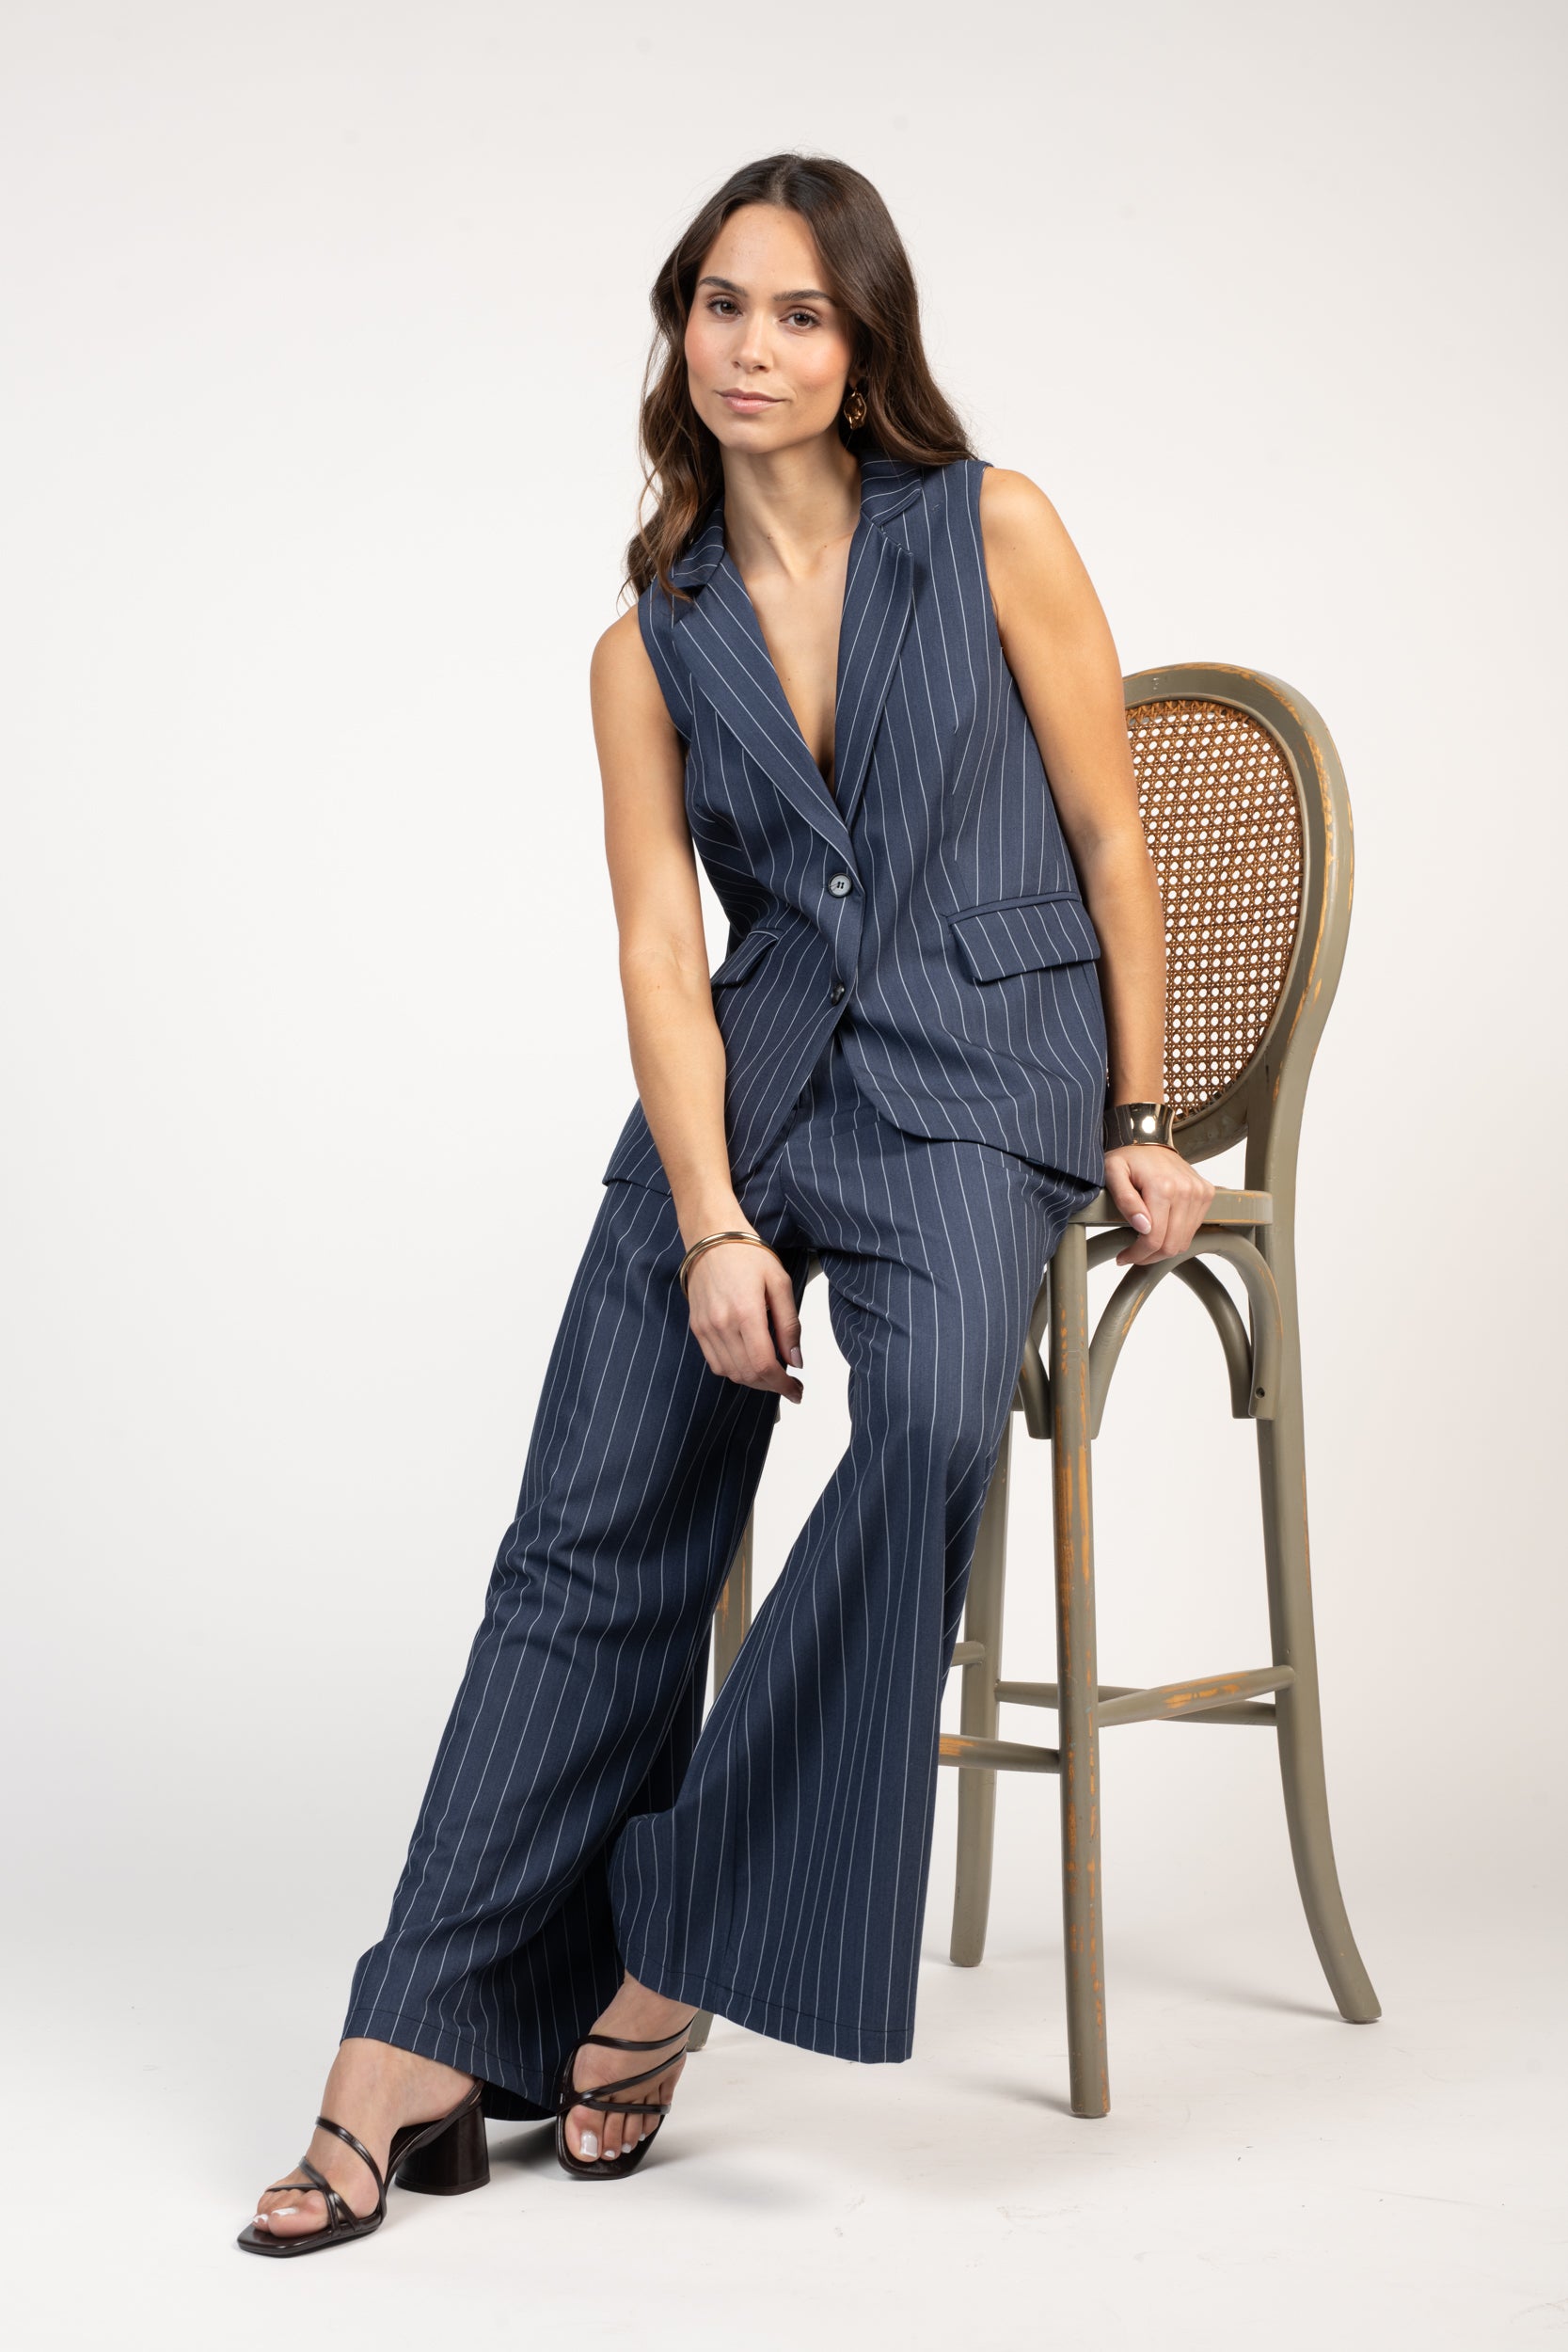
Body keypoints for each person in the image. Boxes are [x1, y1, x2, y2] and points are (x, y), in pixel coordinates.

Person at [241, 150, 1212, 2257]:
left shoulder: (993, 525)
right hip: (753, 1091)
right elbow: (660, 951)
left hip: (984, 1071)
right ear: (678, 331)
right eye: (719, 305)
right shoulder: (646, 644)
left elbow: (1112, 835)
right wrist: (707, 1218)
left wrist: (1143, 1104)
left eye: (797, 312)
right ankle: (408, 2042)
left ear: (865, 347)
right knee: (586, 1542)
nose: (751, 346)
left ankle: (670, 1940)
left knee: (932, 1419)